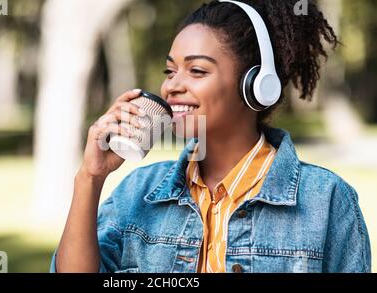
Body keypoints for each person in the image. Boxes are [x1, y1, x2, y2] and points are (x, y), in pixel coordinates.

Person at [51, 0, 371, 273]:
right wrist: (90, 178)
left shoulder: (326, 201)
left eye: (197, 71)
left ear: (257, 85)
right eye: (170, 71)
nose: (172, 86)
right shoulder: (137, 192)